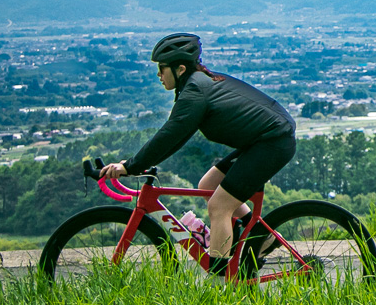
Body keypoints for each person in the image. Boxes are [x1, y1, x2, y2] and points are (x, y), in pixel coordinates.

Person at [100, 33, 297, 275]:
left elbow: (170, 135)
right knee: (209, 184)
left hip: (272, 142)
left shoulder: (196, 90)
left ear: (180, 68)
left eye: (162, 69)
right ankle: (262, 239)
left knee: (219, 207)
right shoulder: (197, 83)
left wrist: (131, 166)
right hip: (266, 139)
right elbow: (175, 137)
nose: (158, 75)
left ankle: (219, 283)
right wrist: (135, 164)